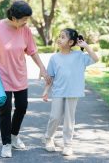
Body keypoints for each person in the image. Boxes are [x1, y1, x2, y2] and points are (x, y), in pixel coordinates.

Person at [0, 0, 50, 158]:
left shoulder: (25, 30)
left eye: (27, 19)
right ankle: (6, 144)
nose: (26, 22)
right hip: (2, 77)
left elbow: (32, 50)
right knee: (5, 110)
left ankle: (14, 135)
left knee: (22, 106)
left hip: (20, 75)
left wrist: (42, 67)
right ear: (13, 17)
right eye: (24, 19)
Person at [42, 28, 98, 156]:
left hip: (73, 92)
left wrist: (86, 46)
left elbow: (95, 59)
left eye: (63, 37)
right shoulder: (54, 58)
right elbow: (50, 77)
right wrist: (46, 91)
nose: (59, 39)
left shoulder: (79, 56)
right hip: (58, 92)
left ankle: (67, 144)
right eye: (59, 36)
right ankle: (48, 138)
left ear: (71, 42)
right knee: (55, 117)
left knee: (69, 119)